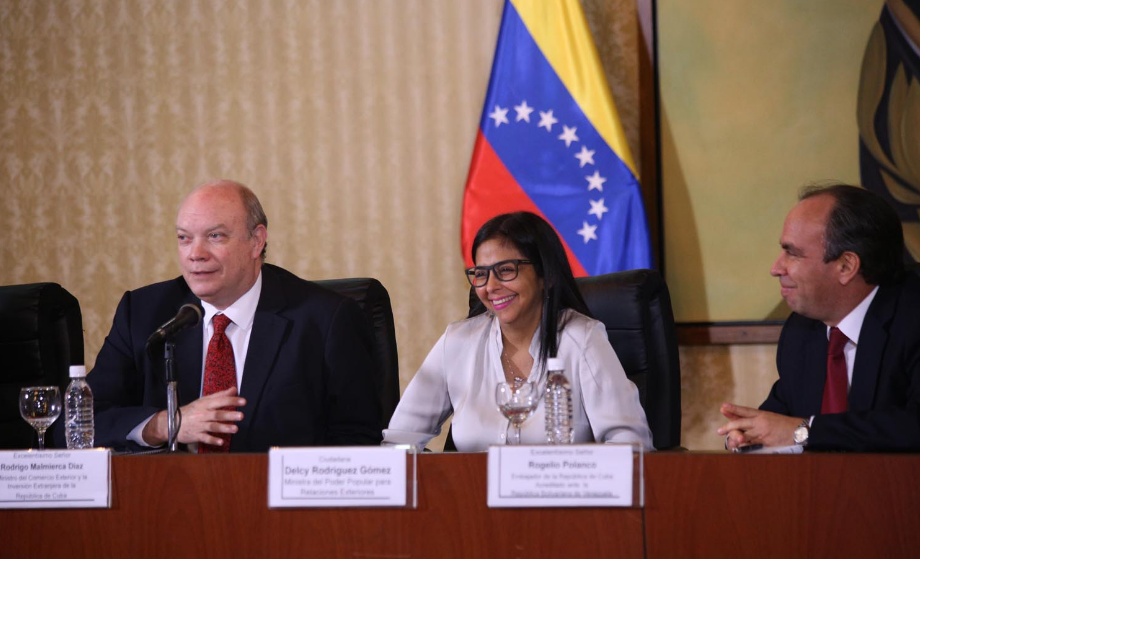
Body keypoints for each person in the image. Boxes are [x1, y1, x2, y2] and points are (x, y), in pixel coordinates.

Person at [72, 180, 384, 452]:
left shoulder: (324, 320)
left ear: (256, 241)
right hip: (169, 504)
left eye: (215, 236)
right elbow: (78, 425)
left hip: (280, 510)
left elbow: (359, 440)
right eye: (184, 238)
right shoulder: (143, 314)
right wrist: (165, 424)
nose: (196, 253)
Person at [383, 212, 654, 452]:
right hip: (475, 502)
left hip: (562, 502)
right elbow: (398, 443)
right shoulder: (457, 343)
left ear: (545, 276)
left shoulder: (582, 339)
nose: (490, 287)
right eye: (481, 274)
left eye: (505, 270)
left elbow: (631, 445)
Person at [718, 183, 919, 452]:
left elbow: (913, 426)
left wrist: (804, 432)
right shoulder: (801, 331)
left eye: (792, 253)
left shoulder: (912, 316)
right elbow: (780, 420)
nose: (776, 268)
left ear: (846, 266)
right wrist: (747, 436)